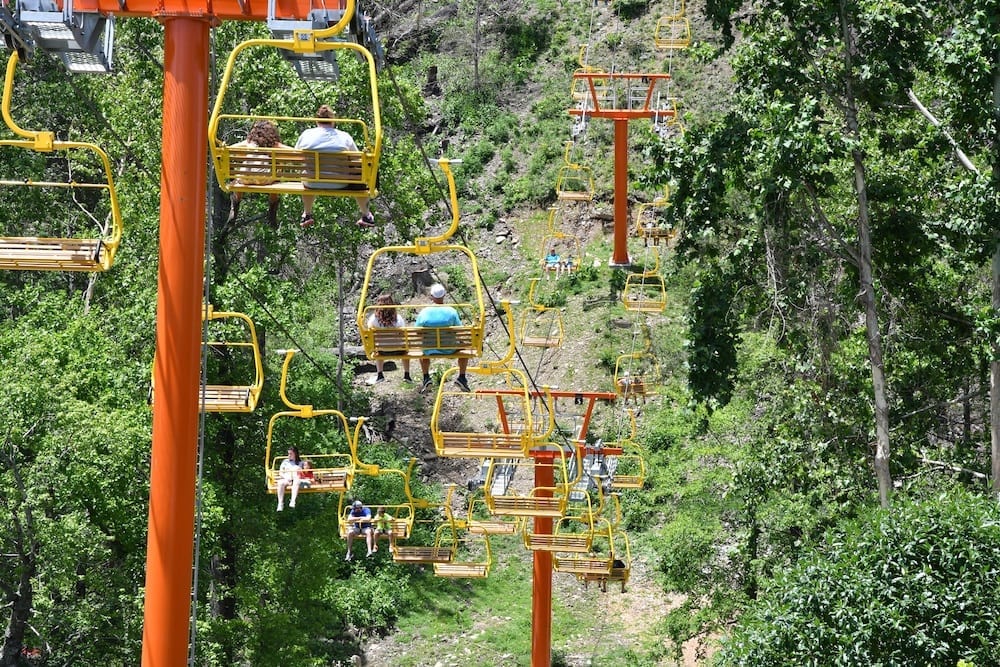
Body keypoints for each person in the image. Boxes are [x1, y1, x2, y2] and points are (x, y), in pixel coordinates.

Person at [295, 104, 374, 229]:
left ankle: (307, 213)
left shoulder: (306, 134)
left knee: (308, 175)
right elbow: (358, 160)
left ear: (316, 120)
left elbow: (296, 157)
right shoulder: (344, 136)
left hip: (312, 183)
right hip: (339, 183)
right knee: (361, 175)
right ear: (333, 121)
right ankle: (366, 214)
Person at [228, 120, 289, 228]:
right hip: (265, 180)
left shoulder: (248, 142)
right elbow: (294, 152)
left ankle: (235, 206)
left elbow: (229, 150)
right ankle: (272, 211)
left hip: (246, 179)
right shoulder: (273, 144)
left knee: (240, 176)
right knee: (276, 175)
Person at [415, 283, 470, 394]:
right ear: (444, 295)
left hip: (429, 349)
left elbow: (417, 332)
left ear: (431, 296)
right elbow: (459, 330)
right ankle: (462, 377)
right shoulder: (451, 311)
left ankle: (426, 377)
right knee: (465, 349)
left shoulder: (424, 312)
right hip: (449, 348)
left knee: (423, 349)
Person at [366, 293, 413, 384]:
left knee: (378, 348)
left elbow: (369, 331)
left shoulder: (373, 319)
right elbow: (403, 333)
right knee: (405, 347)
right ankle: (407, 375)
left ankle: (380, 374)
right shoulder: (398, 318)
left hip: (382, 350)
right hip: (399, 350)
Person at [276, 446, 304, 511]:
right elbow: (280, 472)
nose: (289, 455)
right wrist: (286, 477)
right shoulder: (285, 462)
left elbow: (304, 473)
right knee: (280, 483)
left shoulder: (301, 463)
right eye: (288, 454)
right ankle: (280, 503)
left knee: (296, 481)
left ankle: (293, 500)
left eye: (291, 454)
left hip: (296, 479)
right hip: (287, 479)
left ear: (295, 454)